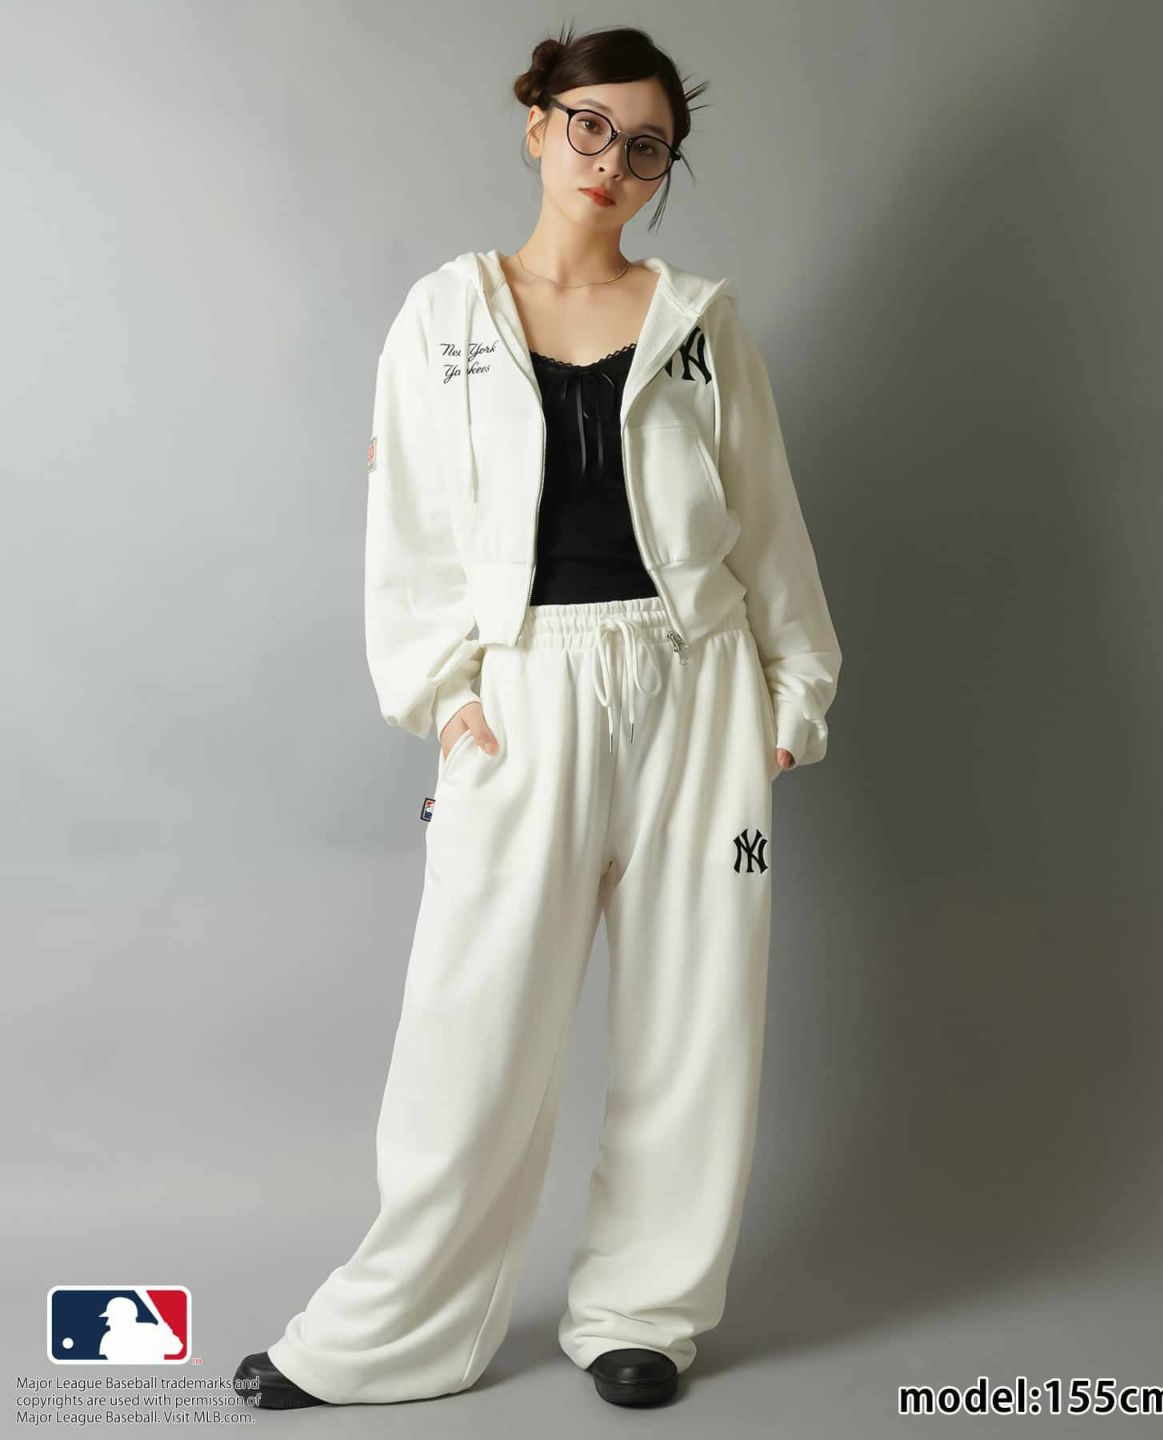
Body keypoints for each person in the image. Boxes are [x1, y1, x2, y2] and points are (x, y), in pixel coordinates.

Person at [234, 22, 841, 1413]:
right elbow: (407, 536)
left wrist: (789, 704)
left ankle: (644, 1314)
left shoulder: (701, 324)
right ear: (536, 122)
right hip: (523, 696)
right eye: (590, 126)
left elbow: (768, 524)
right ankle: (396, 1328)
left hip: (697, 692)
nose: (611, 162)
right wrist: (449, 707)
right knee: (473, 1026)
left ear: (664, 169)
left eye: (647, 146)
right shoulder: (445, 316)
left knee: (695, 1021)